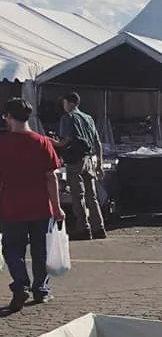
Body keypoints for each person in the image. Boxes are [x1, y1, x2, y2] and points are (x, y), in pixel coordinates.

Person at [0, 98, 66, 312]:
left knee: (12, 250)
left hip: (10, 207)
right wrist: (57, 207)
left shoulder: (3, 144)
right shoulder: (42, 142)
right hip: (40, 207)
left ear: (8, 116)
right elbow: (51, 177)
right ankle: (41, 289)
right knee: (41, 251)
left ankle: (21, 284)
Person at [53, 92, 107, 240]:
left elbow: (66, 140)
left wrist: (52, 142)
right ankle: (99, 227)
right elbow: (98, 142)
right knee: (92, 196)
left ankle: (83, 228)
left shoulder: (67, 118)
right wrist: (100, 164)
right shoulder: (88, 118)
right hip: (90, 159)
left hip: (75, 160)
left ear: (68, 102)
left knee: (78, 196)